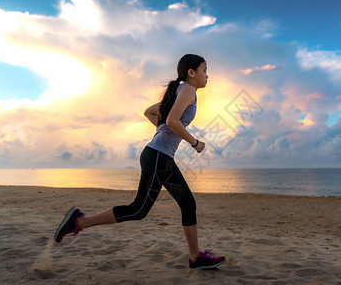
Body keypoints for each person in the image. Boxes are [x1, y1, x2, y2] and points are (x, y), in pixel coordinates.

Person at [54, 54, 225, 270]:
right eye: (204, 70)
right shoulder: (188, 89)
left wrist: (163, 129)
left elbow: (150, 112)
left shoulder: (179, 91)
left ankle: (195, 257)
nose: (207, 76)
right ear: (191, 72)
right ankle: (79, 222)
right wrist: (194, 142)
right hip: (157, 157)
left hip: (161, 157)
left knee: (187, 204)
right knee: (138, 210)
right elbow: (172, 120)